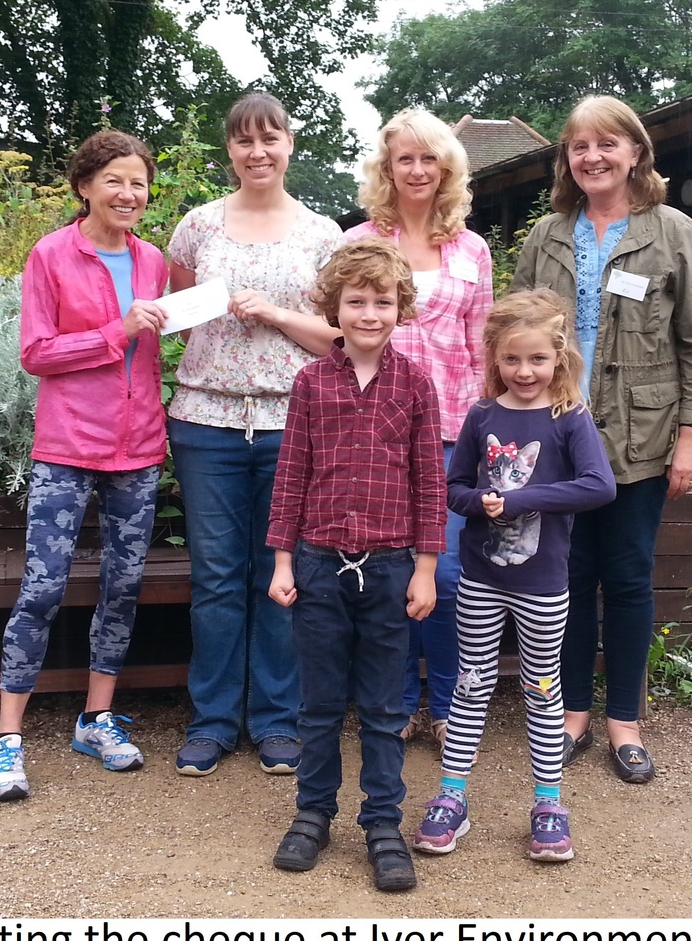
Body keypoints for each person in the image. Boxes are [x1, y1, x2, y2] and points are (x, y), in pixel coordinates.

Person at [510, 95, 692, 783]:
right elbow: (513, 334)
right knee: (563, 580)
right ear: (566, 160)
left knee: (626, 578)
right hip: (557, 437)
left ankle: (623, 720)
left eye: (607, 144)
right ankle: (570, 713)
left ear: (635, 152)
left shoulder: (671, 231)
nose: (592, 157)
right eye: (578, 146)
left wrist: (691, 434)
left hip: (642, 434)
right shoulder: (546, 235)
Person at [0, 130, 169, 802]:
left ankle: (96, 719)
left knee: (122, 586)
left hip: (139, 446)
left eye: (138, 182)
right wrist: (113, 333)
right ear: (85, 186)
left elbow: (158, 344)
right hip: (66, 446)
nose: (128, 193)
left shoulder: (152, 260)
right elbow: (36, 352)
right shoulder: (52, 254)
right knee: (42, 588)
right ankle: (7, 737)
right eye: (114, 180)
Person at [167, 92, 343, 778]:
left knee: (282, 577)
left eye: (269, 138)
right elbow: (181, 314)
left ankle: (276, 721)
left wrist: (271, 312)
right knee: (214, 578)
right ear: (230, 150)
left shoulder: (323, 233)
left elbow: (336, 337)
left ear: (290, 144)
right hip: (205, 421)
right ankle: (212, 720)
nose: (257, 151)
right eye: (243, 140)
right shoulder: (198, 225)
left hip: (291, 424)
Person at [267, 238, 446, 893]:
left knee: (379, 703)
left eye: (382, 301)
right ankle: (312, 814)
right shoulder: (311, 382)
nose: (369, 313)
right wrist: (282, 561)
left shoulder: (415, 383)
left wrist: (424, 568)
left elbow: (430, 481)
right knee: (317, 705)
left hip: (393, 565)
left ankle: (382, 824)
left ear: (400, 308)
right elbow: (291, 476)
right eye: (356, 301)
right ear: (333, 309)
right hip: (316, 564)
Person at [411, 289, 615, 862]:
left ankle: (549, 802)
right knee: (470, 683)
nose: (524, 371)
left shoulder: (569, 417)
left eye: (537, 359)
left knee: (541, 690)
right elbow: (453, 489)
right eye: (511, 360)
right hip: (479, 578)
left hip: (544, 583)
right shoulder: (481, 415)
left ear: (559, 358)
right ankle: (453, 797)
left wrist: (527, 497)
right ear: (493, 358)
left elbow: (600, 486)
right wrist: (482, 502)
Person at [345, 107, 492, 753]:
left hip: (453, 431)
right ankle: (398, 699)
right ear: (385, 167)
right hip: (378, 431)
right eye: (403, 158)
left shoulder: (471, 247)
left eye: (428, 158)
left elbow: (483, 347)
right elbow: (339, 339)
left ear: (446, 168)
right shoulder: (358, 243)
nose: (416, 169)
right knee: (391, 573)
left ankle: (451, 699)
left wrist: (490, 432)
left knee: (452, 573)